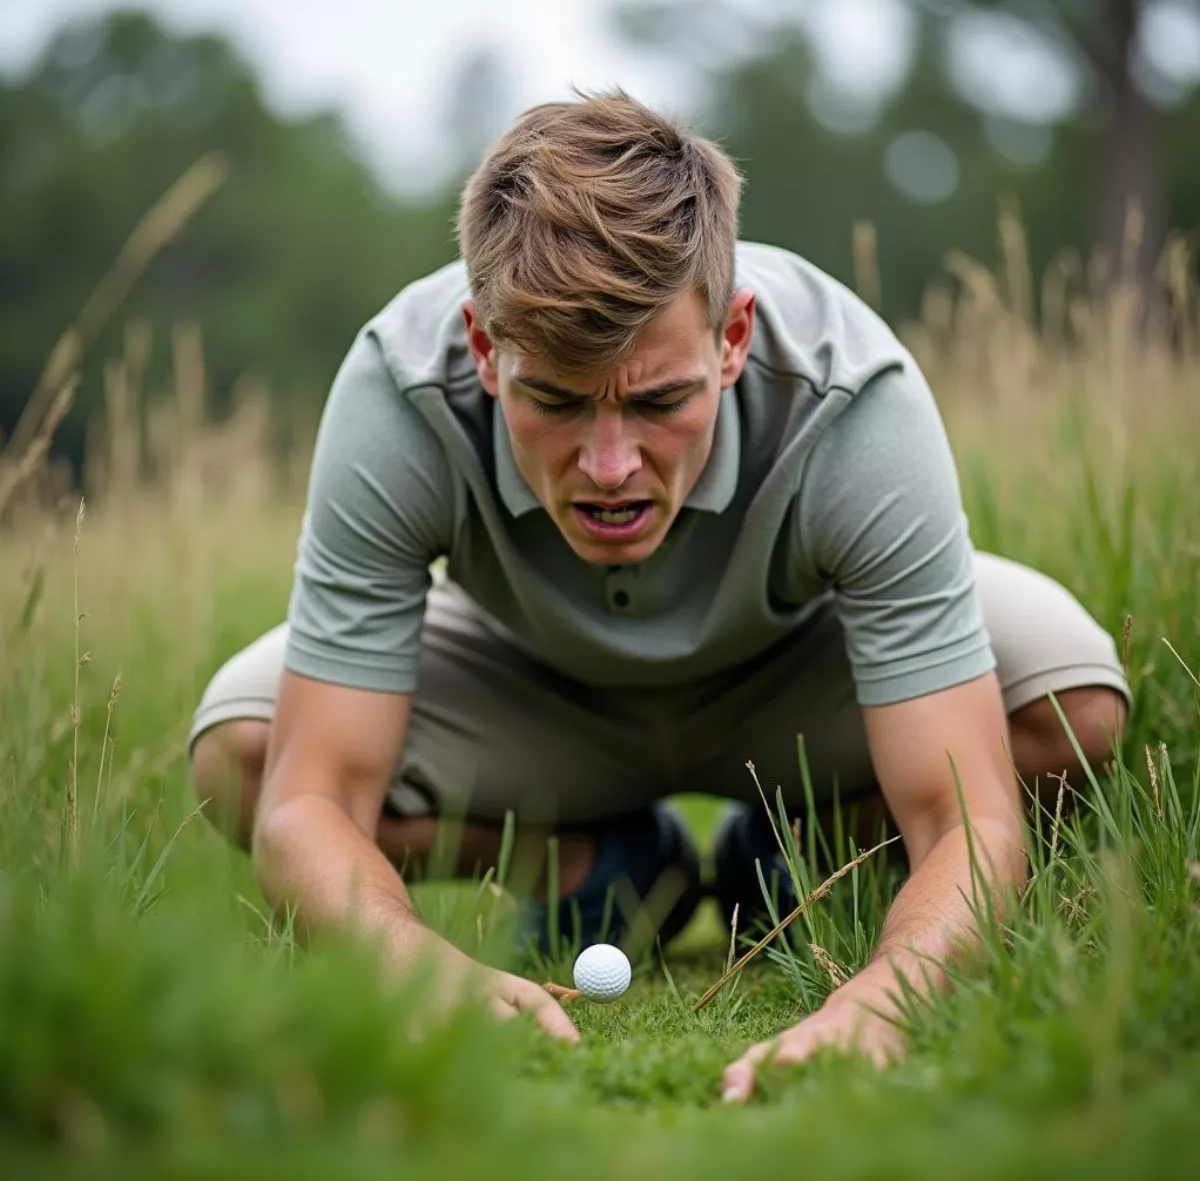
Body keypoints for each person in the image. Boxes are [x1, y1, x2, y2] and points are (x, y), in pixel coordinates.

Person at [188, 90, 1129, 1103]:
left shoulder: (856, 395)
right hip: (528, 680)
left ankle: (799, 860)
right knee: (242, 750)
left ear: (731, 338)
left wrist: (886, 1000)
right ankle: (599, 865)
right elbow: (309, 800)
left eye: (658, 400)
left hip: (802, 668)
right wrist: (413, 968)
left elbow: (966, 819)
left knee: (1070, 705)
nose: (608, 465)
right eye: (554, 401)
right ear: (483, 344)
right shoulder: (394, 390)